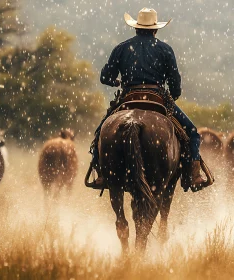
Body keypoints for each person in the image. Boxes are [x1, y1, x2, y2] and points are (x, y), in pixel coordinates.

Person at [88, 8, 210, 192]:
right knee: (192, 133)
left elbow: (105, 77)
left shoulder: (121, 48)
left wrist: (117, 82)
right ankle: (192, 175)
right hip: (157, 98)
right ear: (155, 29)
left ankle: (102, 174)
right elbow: (175, 82)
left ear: (136, 28)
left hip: (128, 98)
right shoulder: (165, 49)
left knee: (100, 133)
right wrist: (173, 95)